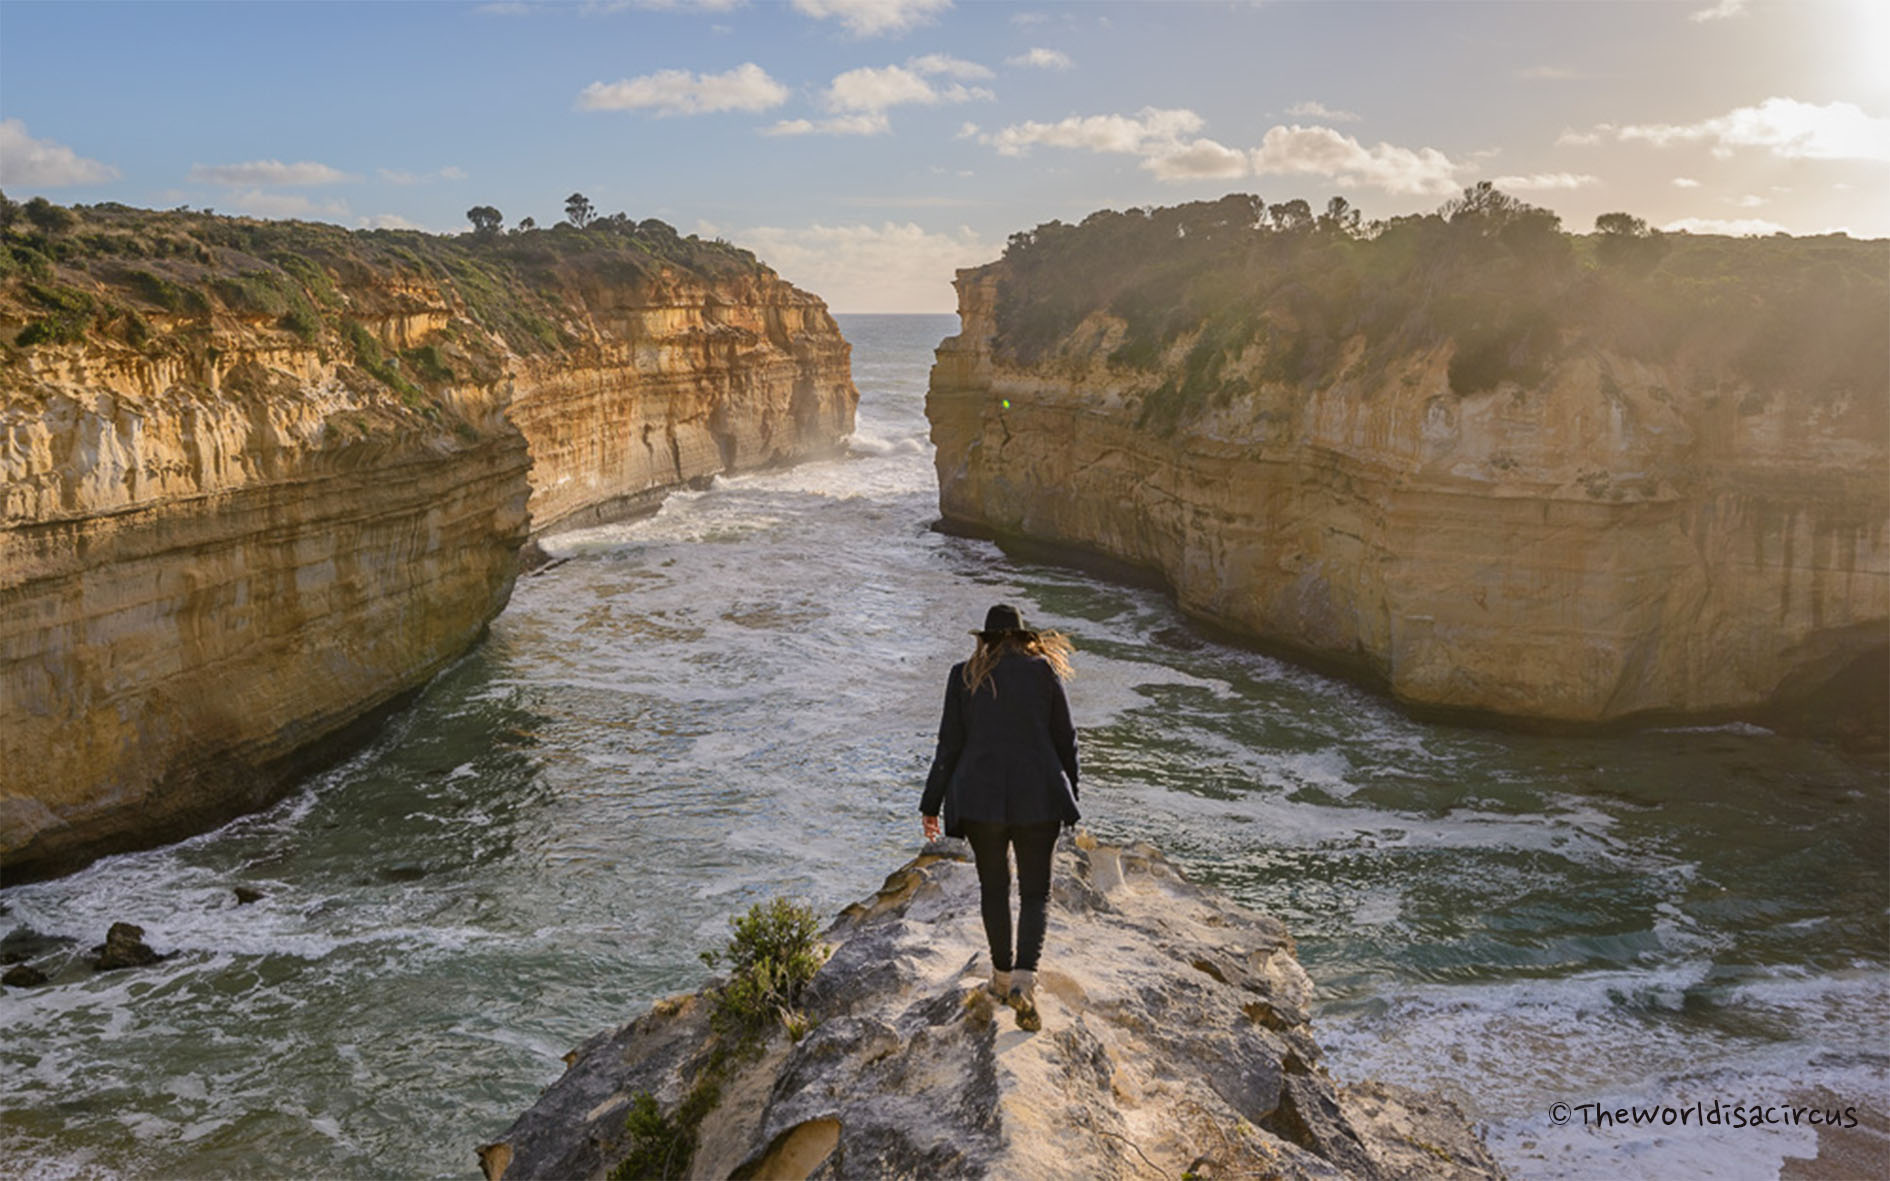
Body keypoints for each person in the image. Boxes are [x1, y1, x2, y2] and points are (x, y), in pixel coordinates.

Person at [920, 603, 1079, 1032]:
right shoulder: (1043, 672)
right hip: (1038, 799)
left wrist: (929, 805)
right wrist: (1071, 798)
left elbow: (948, 745)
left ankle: (1001, 976)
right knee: (1034, 893)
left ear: (986, 639)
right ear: (1024, 636)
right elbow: (1066, 740)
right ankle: (1024, 983)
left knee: (994, 888)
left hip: (980, 800)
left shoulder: (964, 675)